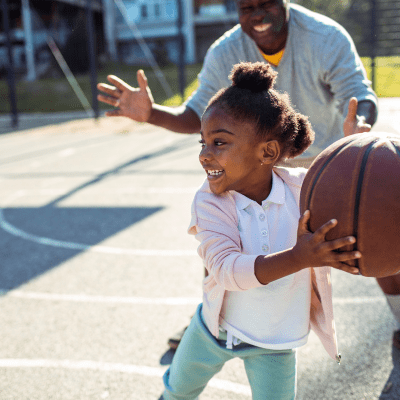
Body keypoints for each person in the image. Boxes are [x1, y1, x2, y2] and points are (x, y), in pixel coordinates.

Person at [97, 0, 379, 349]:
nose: (257, 15)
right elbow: (196, 114)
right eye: (247, 8)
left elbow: (358, 93)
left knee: (376, 227)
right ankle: (208, 321)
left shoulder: (325, 36)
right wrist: (152, 113)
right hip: (251, 161)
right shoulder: (226, 49)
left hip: (319, 163)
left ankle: (398, 312)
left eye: (266, 5)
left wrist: (361, 124)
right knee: (223, 237)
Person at [160, 61, 361, 400]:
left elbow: (349, 197)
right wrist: (299, 258)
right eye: (203, 143)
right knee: (177, 391)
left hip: (274, 341)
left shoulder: (303, 191)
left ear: (267, 152)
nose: (205, 155)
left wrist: (354, 153)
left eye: (219, 143)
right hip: (214, 329)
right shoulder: (210, 202)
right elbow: (225, 270)